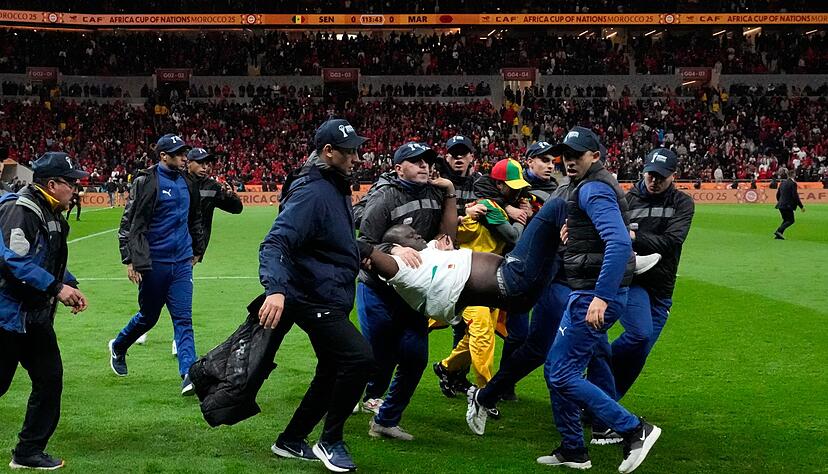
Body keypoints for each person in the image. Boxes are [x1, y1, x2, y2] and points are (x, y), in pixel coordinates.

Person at [519, 127, 659, 472]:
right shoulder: (588, 186)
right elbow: (608, 235)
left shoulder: (594, 188)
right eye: (563, 155)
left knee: (563, 372)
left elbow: (620, 243)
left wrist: (601, 297)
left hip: (593, 295)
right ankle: (573, 449)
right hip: (587, 291)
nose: (567, 161)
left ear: (595, 156)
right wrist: (576, 232)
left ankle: (634, 429)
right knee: (556, 368)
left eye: (576, 154)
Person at [258, 118, 374, 473]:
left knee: (332, 368)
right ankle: (331, 440)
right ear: (328, 152)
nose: (356, 157)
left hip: (326, 291)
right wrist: (275, 289)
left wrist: (372, 249)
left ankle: (291, 440)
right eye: (350, 150)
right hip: (313, 296)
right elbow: (276, 241)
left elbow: (330, 239)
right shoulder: (313, 190)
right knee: (359, 359)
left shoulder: (332, 183)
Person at [586, 148, 694, 444]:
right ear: (643, 170)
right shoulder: (628, 199)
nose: (654, 181)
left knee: (640, 349)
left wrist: (633, 237)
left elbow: (672, 241)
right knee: (639, 335)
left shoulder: (683, 203)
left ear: (673, 176)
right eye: (650, 174)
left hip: (663, 288)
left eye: (660, 176)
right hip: (634, 280)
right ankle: (598, 398)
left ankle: (598, 401)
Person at [356, 142, 457, 440]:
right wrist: (393, 248)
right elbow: (364, 243)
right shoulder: (383, 197)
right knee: (376, 356)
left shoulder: (436, 193)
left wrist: (441, 238)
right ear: (399, 168)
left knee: (415, 357)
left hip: (413, 291)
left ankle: (385, 420)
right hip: (377, 289)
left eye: (427, 161)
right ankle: (347, 396)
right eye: (415, 162)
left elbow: (448, 235)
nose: (424, 166)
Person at [0, 152, 89, 470]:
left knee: (49, 380)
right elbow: (13, 262)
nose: (76, 189)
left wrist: (69, 283)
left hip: (33, 317)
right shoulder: (20, 209)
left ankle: (27, 452)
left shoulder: (50, 211)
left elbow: (46, 259)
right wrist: (56, 288)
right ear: (52, 184)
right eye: (72, 182)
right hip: (7, 317)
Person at [108, 134, 205, 396]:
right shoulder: (145, 181)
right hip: (154, 263)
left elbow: (195, 217)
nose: (185, 157)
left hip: (182, 262)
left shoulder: (188, 181)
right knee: (148, 317)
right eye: (179, 153)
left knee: (183, 319)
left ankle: (188, 374)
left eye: (185, 152)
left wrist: (197, 250)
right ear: (163, 156)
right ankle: (119, 345)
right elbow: (129, 223)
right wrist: (129, 259)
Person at [435, 159, 529, 402]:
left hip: (486, 279)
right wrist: (520, 220)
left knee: (472, 336)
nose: (517, 191)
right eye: (512, 186)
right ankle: (487, 390)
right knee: (482, 332)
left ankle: (446, 368)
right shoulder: (489, 207)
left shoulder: (493, 205)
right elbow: (513, 238)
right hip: (471, 280)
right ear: (499, 186)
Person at [185, 147, 243, 259]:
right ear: (188, 163)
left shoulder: (213, 186)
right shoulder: (177, 181)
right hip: (174, 241)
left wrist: (230, 196)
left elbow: (236, 209)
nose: (205, 167)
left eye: (206, 163)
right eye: (200, 162)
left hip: (196, 245)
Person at [773, 168, 804, 239]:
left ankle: (779, 234)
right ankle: (779, 231)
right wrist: (801, 206)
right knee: (791, 220)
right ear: (794, 175)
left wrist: (780, 201)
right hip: (787, 205)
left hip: (780, 205)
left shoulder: (782, 183)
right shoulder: (793, 184)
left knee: (786, 220)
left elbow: (778, 194)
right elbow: (795, 196)